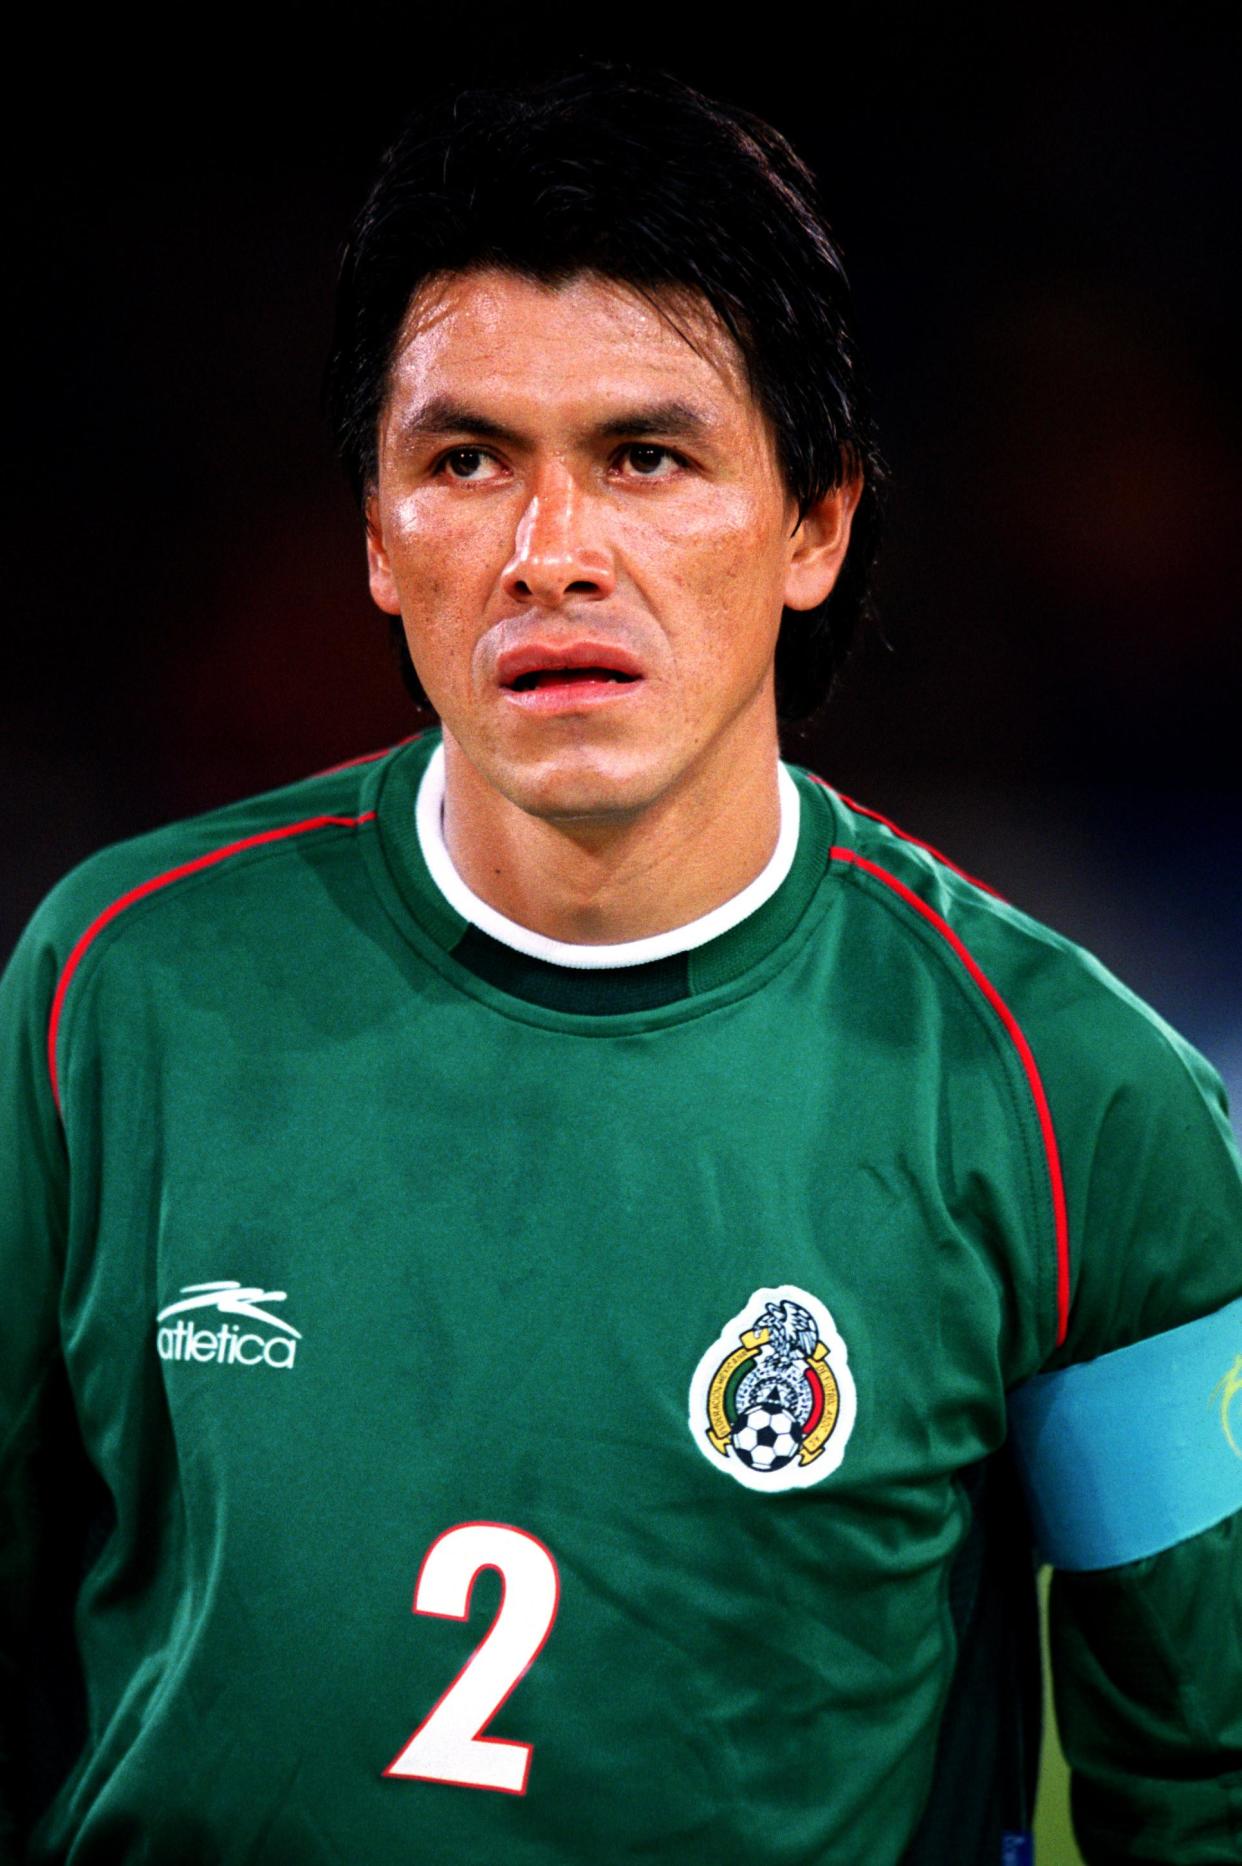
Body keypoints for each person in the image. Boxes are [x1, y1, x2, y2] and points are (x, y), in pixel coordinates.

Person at [2, 61, 1239, 1866]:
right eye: (463, 460)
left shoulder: (1077, 1102)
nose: (548, 553)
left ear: (814, 524)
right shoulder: (111, 990)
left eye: (644, 458)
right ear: (370, 532)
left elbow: (1201, 1792)